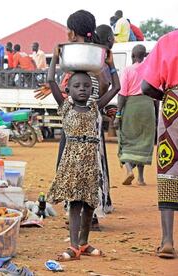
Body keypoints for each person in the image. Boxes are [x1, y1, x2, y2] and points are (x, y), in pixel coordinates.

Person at [47, 43, 120, 261]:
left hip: (91, 162)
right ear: (68, 91)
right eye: (77, 86)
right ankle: (73, 246)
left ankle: (84, 242)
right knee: (76, 203)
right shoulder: (65, 106)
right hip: (72, 162)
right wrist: (54, 57)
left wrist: (112, 65)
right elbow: (51, 80)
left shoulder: (96, 107)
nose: (82, 89)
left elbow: (116, 88)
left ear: (91, 90)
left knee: (90, 204)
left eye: (86, 86)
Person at [140, 30, 178, 259]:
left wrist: (165, 95)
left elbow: (146, 87)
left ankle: (167, 241)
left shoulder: (168, 41)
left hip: (174, 105)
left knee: (169, 169)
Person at [113, 44, 155, 186]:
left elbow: (122, 94)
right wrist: (154, 115)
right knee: (143, 141)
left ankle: (129, 170)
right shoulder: (151, 70)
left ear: (132, 56)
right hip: (148, 107)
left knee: (125, 139)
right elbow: (156, 95)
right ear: (145, 55)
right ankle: (141, 179)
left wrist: (118, 114)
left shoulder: (128, 70)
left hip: (132, 107)